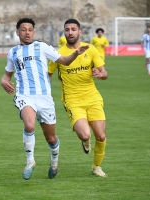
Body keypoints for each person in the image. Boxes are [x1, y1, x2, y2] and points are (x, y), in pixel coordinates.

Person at [0, 18, 89, 180]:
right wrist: (3, 80)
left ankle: (54, 161)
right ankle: (30, 161)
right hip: (24, 95)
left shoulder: (42, 47)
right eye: (23, 29)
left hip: (45, 99)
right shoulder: (13, 52)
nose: (27, 32)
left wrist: (75, 54)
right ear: (17, 32)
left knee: (51, 137)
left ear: (33, 32)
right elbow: (7, 74)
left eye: (30, 30)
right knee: (29, 124)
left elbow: (63, 61)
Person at [48, 19, 108, 177]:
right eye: (67, 29)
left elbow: (104, 73)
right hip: (72, 100)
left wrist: (100, 74)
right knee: (85, 134)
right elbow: (48, 75)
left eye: (73, 29)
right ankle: (85, 140)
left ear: (79, 32)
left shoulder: (91, 49)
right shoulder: (58, 54)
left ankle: (96, 167)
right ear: (64, 32)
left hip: (93, 97)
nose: (70, 32)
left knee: (101, 136)